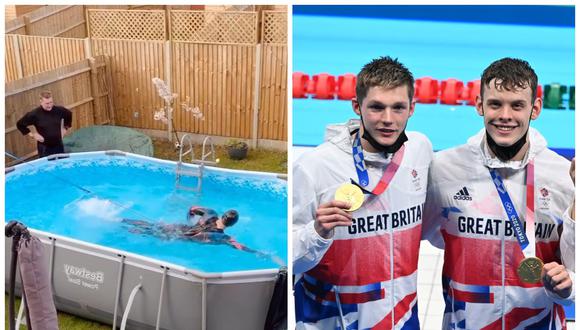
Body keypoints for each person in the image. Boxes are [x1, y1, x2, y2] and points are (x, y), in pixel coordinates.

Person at [423, 58, 575, 329]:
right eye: (495, 104)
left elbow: (575, 270)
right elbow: (406, 233)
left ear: (535, 108)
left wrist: (569, 286)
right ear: (479, 105)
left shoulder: (562, 176)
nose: (505, 115)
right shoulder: (444, 169)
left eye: (517, 105)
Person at [293, 56, 433, 329]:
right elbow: (288, 261)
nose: (388, 120)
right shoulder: (315, 167)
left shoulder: (420, 149)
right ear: (357, 106)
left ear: (412, 108)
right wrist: (317, 232)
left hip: (402, 319)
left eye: (398, 108)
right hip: (332, 320)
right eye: (377, 108)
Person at [16, 91, 73, 158]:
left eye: (51, 102)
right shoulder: (34, 114)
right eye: (47, 103)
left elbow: (69, 114)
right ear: (41, 102)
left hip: (58, 145)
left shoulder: (59, 110)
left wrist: (65, 128)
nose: (49, 105)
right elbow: (20, 124)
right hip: (44, 148)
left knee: (61, 165)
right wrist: (33, 135)